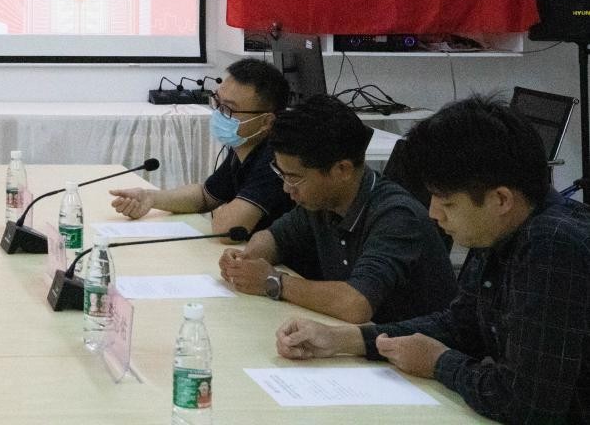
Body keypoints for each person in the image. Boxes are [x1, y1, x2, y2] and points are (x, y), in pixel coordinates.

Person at [276, 96, 590, 423]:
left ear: (501, 200)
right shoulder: (499, 227)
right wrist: (347, 339)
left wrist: (440, 363)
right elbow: (462, 325)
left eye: (447, 203)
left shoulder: (552, 244)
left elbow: (527, 403)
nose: (433, 213)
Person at [219, 94, 456, 324]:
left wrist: (274, 282)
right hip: (356, 339)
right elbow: (274, 238)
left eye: (294, 178)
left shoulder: (396, 216)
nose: (286, 188)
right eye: (281, 174)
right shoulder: (322, 202)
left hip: (406, 346)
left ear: (342, 170)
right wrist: (246, 260)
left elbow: (356, 304)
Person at [109, 58, 293, 235]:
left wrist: (224, 213)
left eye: (228, 109)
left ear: (266, 122)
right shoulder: (243, 147)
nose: (218, 113)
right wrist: (150, 197)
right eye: (217, 101)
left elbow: (226, 230)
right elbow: (205, 196)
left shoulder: (277, 159)